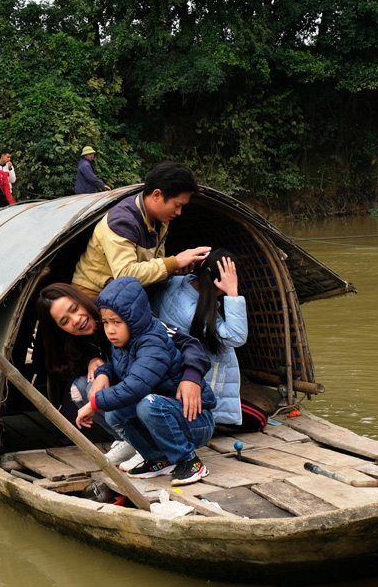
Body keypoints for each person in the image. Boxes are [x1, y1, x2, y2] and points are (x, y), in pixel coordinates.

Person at [35, 282, 212, 467]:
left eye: (74, 308)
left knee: (104, 393)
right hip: (130, 390)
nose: (76, 319)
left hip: (159, 395)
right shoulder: (72, 342)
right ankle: (131, 441)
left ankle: (156, 446)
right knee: (81, 388)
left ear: (81, 299)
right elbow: (78, 367)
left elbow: (188, 343)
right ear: (59, 328)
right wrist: (94, 363)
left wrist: (191, 377)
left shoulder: (121, 313)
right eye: (65, 321)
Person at [75, 277, 215, 485]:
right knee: (115, 414)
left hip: (194, 418)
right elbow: (120, 365)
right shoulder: (124, 340)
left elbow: (136, 385)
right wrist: (104, 372)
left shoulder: (153, 343)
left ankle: (190, 461)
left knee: (147, 404)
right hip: (165, 410)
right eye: (106, 322)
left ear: (134, 319)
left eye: (116, 322)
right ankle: (159, 459)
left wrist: (94, 403)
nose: (110, 330)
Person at [152, 250, 259, 429]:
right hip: (189, 383)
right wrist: (232, 292)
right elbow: (237, 337)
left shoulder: (177, 282)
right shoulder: (193, 312)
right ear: (221, 283)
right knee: (259, 420)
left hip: (170, 372)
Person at [71, 161, 210, 297]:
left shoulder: (160, 221)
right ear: (156, 195)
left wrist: (173, 269)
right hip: (93, 294)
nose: (179, 212)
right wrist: (174, 262)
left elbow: (153, 263)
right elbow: (125, 275)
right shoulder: (122, 222)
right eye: (177, 205)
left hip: (122, 294)